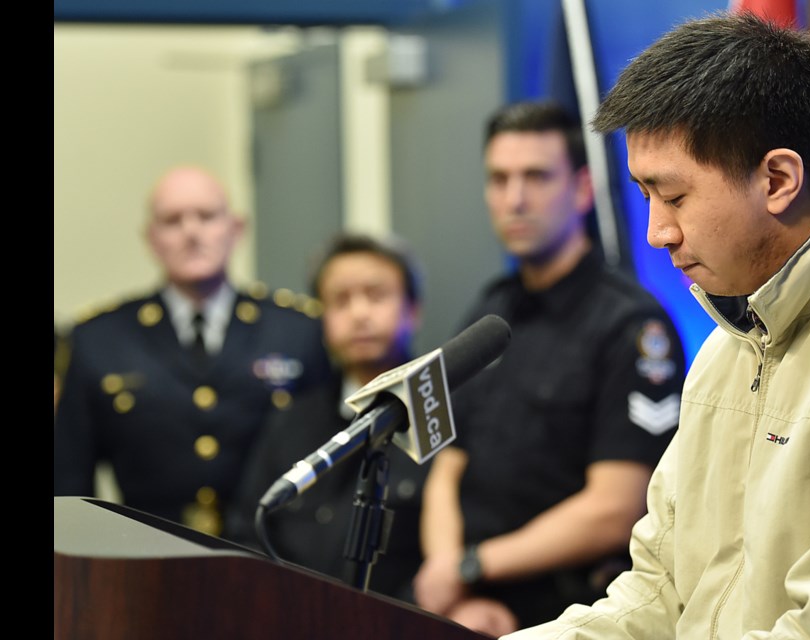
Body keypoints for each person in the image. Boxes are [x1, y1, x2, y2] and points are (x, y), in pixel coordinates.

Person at [504, 12, 810, 640]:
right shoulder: (730, 341)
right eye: (644, 197)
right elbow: (658, 593)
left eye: (675, 197)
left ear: (777, 179)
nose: (656, 233)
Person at [412, 100, 687, 636]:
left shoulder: (631, 324)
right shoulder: (490, 308)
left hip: (570, 614)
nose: (514, 199)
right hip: (465, 603)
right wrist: (449, 580)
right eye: (499, 179)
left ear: (582, 189)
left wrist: (469, 566)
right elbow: (446, 463)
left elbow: (617, 506)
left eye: (536, 177)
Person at [53, 164, 330, 537]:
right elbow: (69, 482)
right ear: (151, 238)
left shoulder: (297, 332)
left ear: (236, 230)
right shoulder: (99, 339)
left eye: (207, 216)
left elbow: (328, 465)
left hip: (276, 558)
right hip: (145, 558)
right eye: (172, 220)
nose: (191, 232)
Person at [225, 232, 430, 603]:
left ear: (413, 310)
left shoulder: (446, 417)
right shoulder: (290, 422)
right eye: (341, 300)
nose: (359, 313)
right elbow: (247, 532)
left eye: (376, 295)